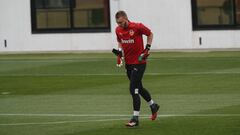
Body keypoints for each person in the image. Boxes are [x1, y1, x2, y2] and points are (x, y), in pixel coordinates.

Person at [114, 10, 159, 127]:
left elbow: (150, 34)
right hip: (128, 64)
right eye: (118, 23)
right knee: (139, 87)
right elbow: (120, 42)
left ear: (126, 19)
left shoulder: (137, 27)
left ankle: (135, 118)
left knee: (133, 88)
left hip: (139, 62)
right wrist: (119, 54)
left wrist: (147, 49)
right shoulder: (118, 30)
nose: (120, 25)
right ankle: (153, 105)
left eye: (121, 22)